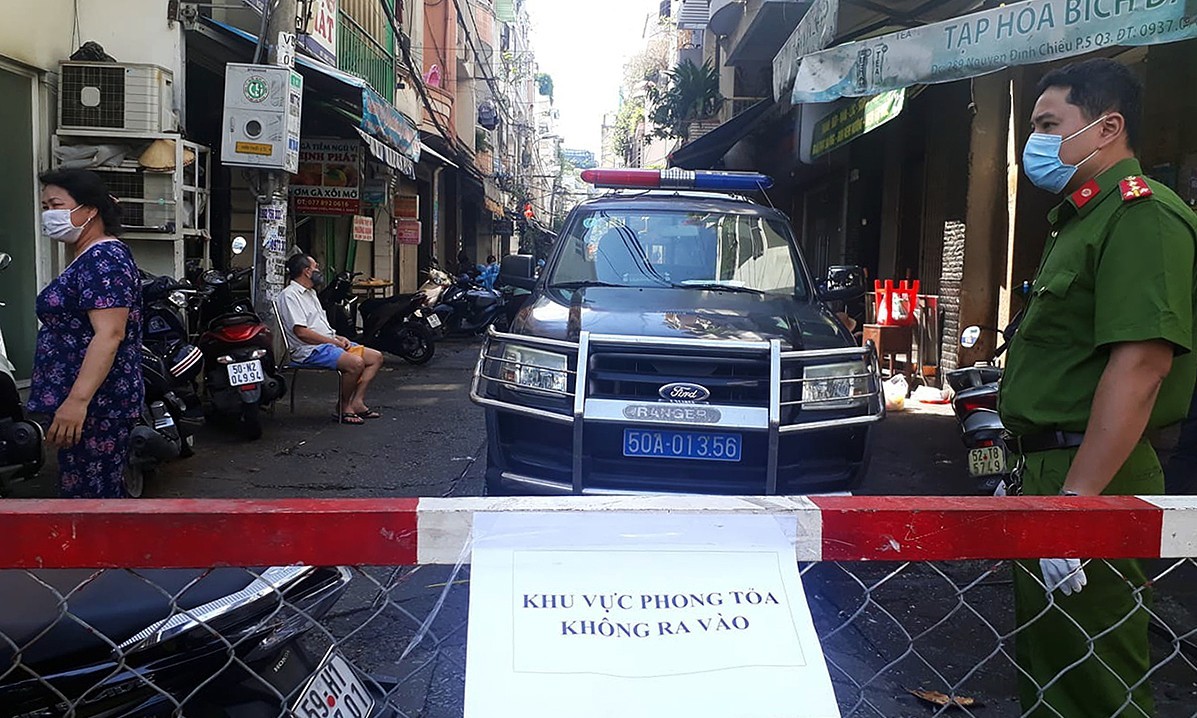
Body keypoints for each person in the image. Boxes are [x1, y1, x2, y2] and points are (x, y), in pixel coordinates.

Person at [998, 58, 1197, 717]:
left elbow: (1140, 367)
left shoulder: (1141, 215)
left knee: (1092, 682)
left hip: (1094, 474)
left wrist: (1075, 505)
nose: (1034, 142)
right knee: (1050, 669)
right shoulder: (1080, 219)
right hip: (1053, 469)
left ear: (1107, 127)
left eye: (1049, 124)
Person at [27, 169, 144, 498]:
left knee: (92, 501)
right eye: (45, 206)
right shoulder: (86, 257)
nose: (49, 214)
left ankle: (110, 552)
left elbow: (109, 334)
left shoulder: (103, 259)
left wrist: (77, 402)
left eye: (56, 204)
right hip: (89, 405)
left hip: (97, 407)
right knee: (86, 496)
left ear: (89, 209)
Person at [278, 254, 385, 425]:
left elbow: (319, 326)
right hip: (309, 350)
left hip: (327, 344)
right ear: (306, 271)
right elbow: (302, 333)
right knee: (355, 363)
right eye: (315, 267)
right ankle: (343, 407)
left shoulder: (311, 293)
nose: (318, 271)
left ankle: (356, 402)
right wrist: (333, 342)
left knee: (375, 357)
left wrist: (337, 337)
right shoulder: (290, 296)